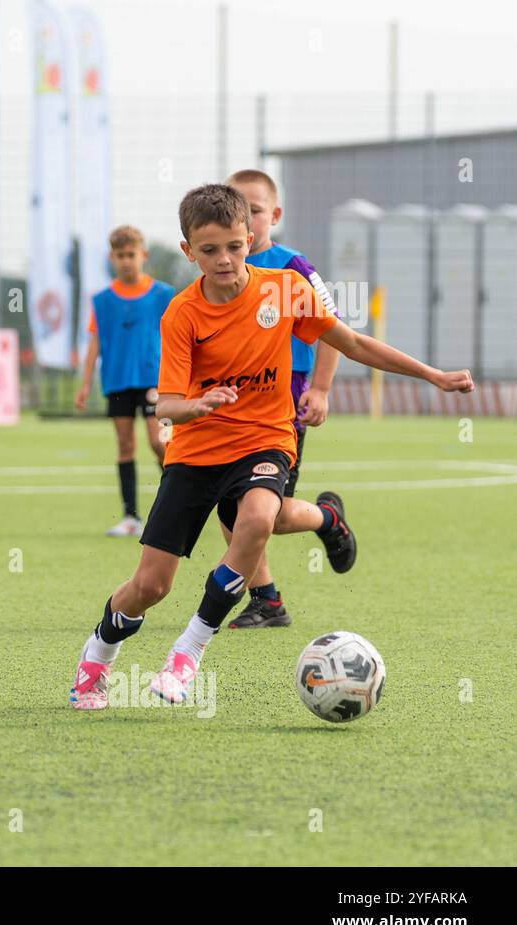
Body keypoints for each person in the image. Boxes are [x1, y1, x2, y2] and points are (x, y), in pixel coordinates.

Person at [70, 183, 473, 711]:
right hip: (194, 453)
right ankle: (98, 652)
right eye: (209, 250)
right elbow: (166, 404)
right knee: (150, 586)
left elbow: (351, 343)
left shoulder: (285, 289)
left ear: (253, 236)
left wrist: (433, 375)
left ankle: (187, 653)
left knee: (258, 519)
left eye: (235, 246)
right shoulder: (182, 314)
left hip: (264, 440)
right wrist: (199, 404)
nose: (225, 260)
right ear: (188, 251)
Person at [221, 168, 343, 628]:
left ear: (274, 214)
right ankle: (266, 600)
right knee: (233, 511)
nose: (245, 221)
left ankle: (327, 518)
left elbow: (335, 332)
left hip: (282, 403)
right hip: (231, 404)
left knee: (263, 512)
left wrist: (321, 388)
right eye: (236, 210)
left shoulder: (292, 267)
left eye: (254, 210)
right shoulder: (223, 270)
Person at [74, 225, 176, 536]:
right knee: (125, 445)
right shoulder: (102, 300)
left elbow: (177, 337)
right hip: (118, 381)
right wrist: (85, 383)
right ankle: (131, 517)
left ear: (143, 255)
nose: (126, 261)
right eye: (120, 256)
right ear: (112, 258)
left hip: (152, 381)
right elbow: (95, 342)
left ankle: (176, 507)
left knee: (160, 443)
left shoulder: (162, 294)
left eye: (131, 254)